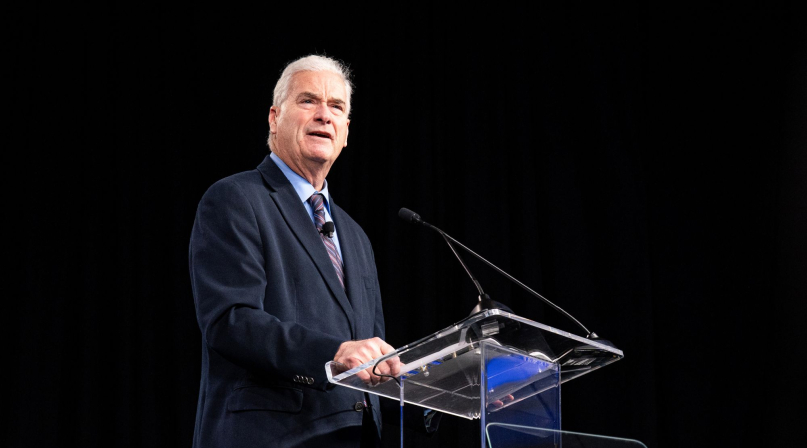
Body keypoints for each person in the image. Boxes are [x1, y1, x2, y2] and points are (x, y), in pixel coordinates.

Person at [189, 55, 400, 448]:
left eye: (336, 107)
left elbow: (368, 367)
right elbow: (231, 321)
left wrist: (446, 393)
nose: (324, 115)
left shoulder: (355, 237)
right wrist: (332, 353)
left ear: (346, 131)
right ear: (274, 117)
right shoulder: (236, 199)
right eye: (309, 101)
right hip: (270, 436)